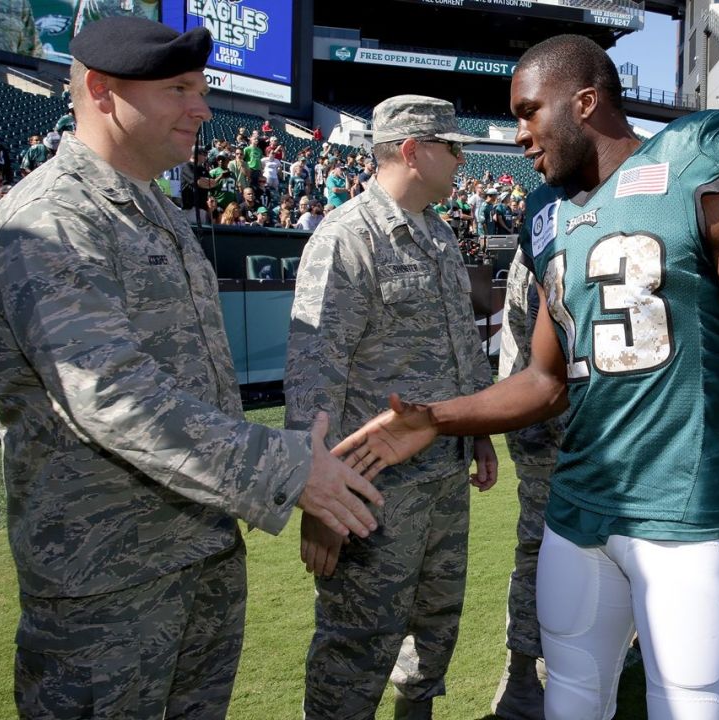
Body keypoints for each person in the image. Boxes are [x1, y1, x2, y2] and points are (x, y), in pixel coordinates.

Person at [334, 35, 719, 720]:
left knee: (688, 708)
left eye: (530, 111)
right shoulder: (552, 215)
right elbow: (544, 379)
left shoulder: (699, 163)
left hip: (677, 515)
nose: (519, 133)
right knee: (570, 700)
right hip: (576, 510)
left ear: (585, 102)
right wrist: (438, 417)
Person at [0, 18, 383, 718]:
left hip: (199, 559)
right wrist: (286, 469)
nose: (202, 108)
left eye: (201, 88)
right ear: (101, 92)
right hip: (107, 588)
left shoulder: (155, 211)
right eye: (179, 89)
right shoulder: (48, 218)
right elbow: (111, 394)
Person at [284, 94, 494, 720]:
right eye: (450, 147)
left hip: (442, 482)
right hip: (370, 492)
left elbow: (463, 348)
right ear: (411, 150)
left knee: (434, 633)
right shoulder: (348, 238)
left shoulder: (438, 236)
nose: (461, 160)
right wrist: (317, 498)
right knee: (356, 649)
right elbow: (314, 379)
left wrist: (478, 431)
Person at [491, 248, 568, 720]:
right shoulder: (545, 232)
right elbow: (526, 333)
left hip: (595, 429)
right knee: (540, 553)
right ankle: (522, 674)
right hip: (550, 427)